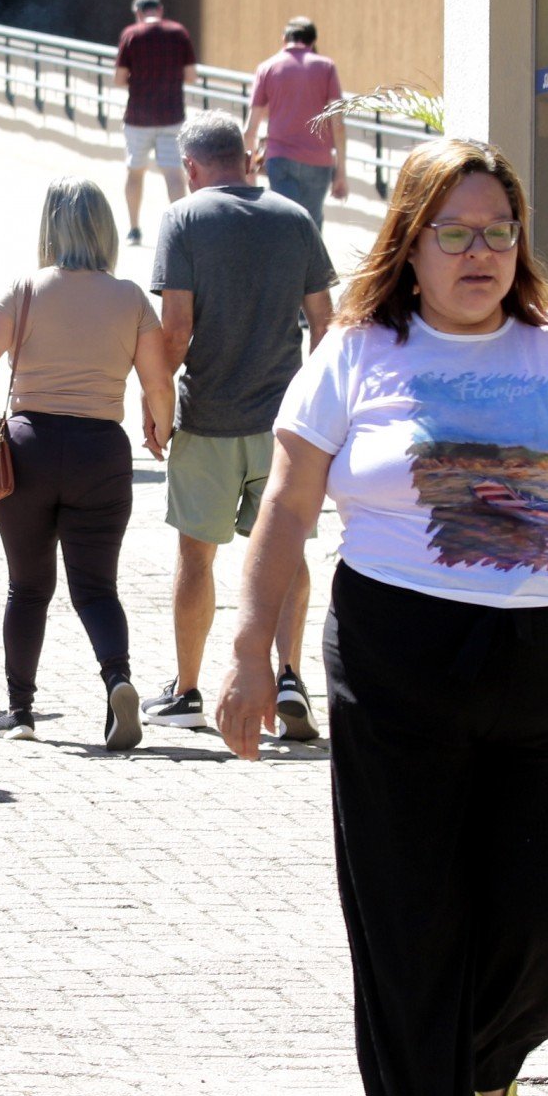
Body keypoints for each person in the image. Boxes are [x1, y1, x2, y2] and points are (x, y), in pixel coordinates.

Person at [215, 137, 548, 1096]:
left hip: (542, 662)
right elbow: (285, 507)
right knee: (408, 908)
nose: (480, 252)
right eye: (455, 232)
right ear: (411, 244)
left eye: (500, 231)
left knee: (538, 910)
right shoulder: (357, 351)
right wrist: (248, 653)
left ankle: (490, 1056)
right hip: (397, 658)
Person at [140, 113, 334, 738]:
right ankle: (289, 678)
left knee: (197, 557)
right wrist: (313, 407)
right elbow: (326, 322)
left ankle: (189, 690)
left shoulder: (184, 218)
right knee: (285, 550)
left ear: (191, 168)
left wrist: (154, 405)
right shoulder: (294, 217)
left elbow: (174, 331)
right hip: (283, 425)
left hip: (209, 418)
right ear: (246, 157)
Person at [0, 178, 174, 749]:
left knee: (28, 586)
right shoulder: (131, 297)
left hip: (29, 448)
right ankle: (118, 679)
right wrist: (160, 429)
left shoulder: (23, 289)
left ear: (50, 227)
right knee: (97, 587)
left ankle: (19, 710)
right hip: (102, 453)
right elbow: (158, 385)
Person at [241, 17, 346, 229]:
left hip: (280, 158)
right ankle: (312, 262)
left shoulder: (267, 68)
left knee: (284, 222)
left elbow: (250, 129)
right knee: (311, 224)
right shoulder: (326, 67)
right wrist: (341, 171)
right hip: (319, 160)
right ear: (313, 41)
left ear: (284, 39)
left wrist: (248, 170)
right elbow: (338, 123)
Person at [112, 0, 197, 247]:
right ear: (159, 10)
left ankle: (134, 229)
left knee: (135, 171)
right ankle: (181, 231)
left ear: (138, 13)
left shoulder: (131, 35)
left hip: (138, 117)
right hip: (172, 115)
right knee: (173, 174)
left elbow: (118, 79)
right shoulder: (179, 33)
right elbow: (191, 76)